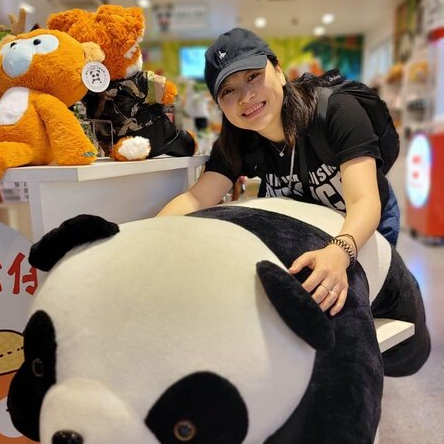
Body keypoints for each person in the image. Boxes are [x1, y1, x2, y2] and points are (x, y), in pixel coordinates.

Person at [157, 28, 400, 317]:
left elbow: (364, 201)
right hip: (311, 233)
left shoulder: (335, 111)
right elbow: (196, 198)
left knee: (366, 309)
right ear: (219, 104)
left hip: (364, 223)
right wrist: (144, 238)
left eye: (252, 76)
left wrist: (340, 250)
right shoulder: (237, 142)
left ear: (278, 71)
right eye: (228, 90)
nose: (246, 96)